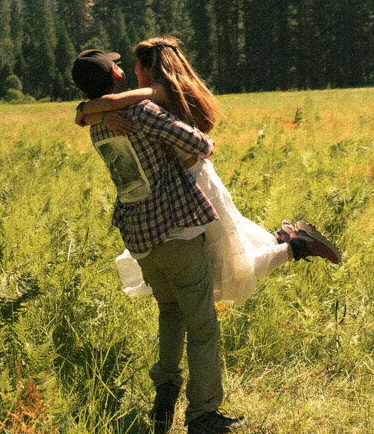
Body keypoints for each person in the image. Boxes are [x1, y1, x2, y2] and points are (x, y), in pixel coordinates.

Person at [71, 38, 337, 434]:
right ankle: (203, 414)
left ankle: (165, 391)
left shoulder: (99, 126)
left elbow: (86, 113)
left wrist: (96, 111)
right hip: (175, 230)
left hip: (139, 238)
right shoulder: (140, 111)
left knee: (169, 310)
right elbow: (200, 144)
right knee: (203, 324)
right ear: (116, 74)